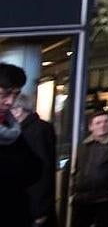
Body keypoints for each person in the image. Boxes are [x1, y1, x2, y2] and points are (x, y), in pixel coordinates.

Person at [70, 112, 108, 227]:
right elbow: (78, 168)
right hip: (83, 197)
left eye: (106, 121)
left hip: (106, 197)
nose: (102, 125)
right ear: (91, 127)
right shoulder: (86, 143)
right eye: (98, 123)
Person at [1, 63, 41, 227]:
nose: (10, 102)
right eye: (5, 94)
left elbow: (36, 169)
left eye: (15, 95)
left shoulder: (12, 130)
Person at [14, 91, 60, 227]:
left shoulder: (39, 130)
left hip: (35, 208)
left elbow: (42, 171)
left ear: (18, 110)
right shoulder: (20, 130)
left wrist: (40, 210)